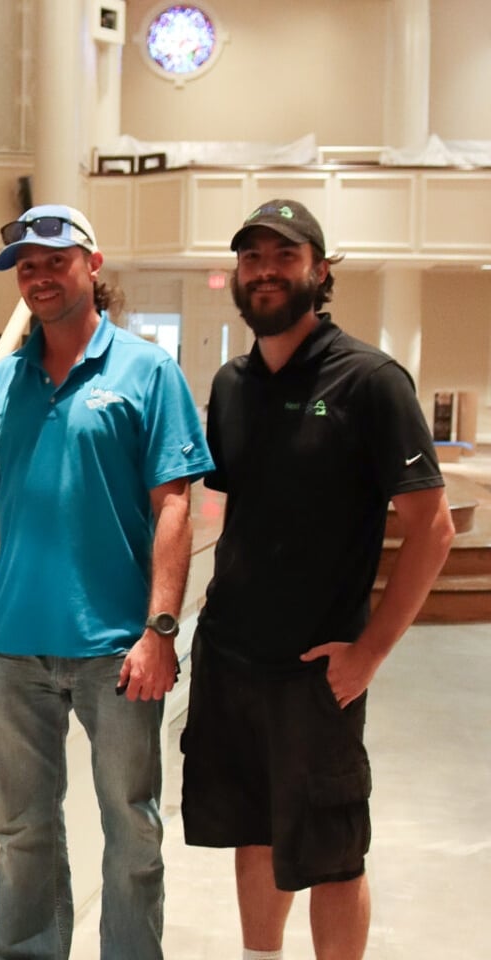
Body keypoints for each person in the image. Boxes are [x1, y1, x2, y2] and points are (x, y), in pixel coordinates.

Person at [0, 204, 214, 959]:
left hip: (116, 650)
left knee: (132, 831)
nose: (41, 275)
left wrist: (159, 631)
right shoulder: (5, 381)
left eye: (56, 260)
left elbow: (174, 505)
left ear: (93, 265)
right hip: (13, 648)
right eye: (27, 265)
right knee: (22, 831)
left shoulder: (146, 370)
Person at [181, 199, 456, 960]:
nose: (266, 270)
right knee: (253, 833)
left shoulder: (370, 380)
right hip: (230, 658)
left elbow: (431, 529)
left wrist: (368, 653)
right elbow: (229, 512)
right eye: (252, 257)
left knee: (332, 854)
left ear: (319, 271)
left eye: (284, 255)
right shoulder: (232, 384)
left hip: (315, 671)